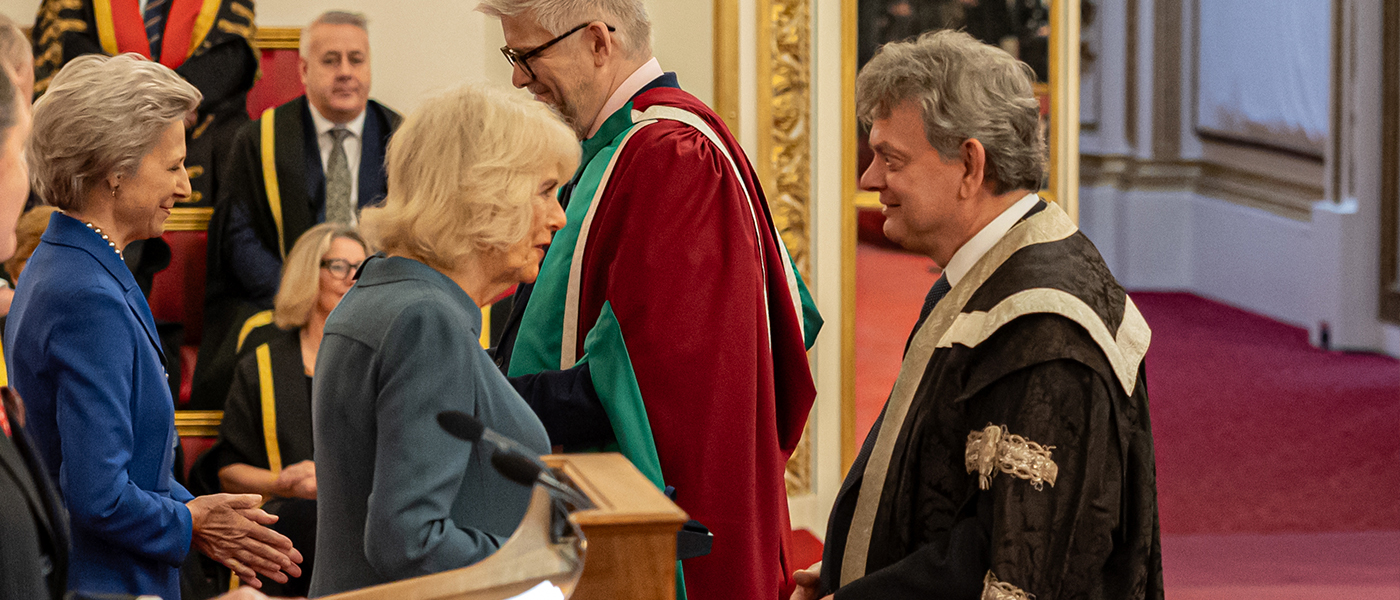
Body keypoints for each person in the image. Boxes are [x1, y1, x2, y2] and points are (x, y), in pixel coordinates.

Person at [792, 31, 1162, 600]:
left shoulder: (1046, 325)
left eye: (890, 159)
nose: (869, 180)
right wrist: (855, 565)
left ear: (969, 164)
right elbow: (942, 483)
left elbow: (1012, 560)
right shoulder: (990, 271)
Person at [478, 1, 822, 597]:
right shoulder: (620, 148)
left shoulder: (673, 156)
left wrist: (486, 394)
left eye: (527, 56)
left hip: (663, 532)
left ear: (596, 42)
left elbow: (651, 384)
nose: (517, 78)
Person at [5, 53, 302, 600]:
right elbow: (99, 496)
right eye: (172, 166)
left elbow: (129, 467)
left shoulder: (69, 261)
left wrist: (194, 510)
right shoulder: (86, 294)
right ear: (116, 169)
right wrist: (194, 524)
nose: (187, 188)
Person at [308, 83, 576, 597]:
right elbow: (409, 541)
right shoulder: (426, 322)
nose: (557, 217)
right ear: (483, 192)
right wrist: (548, 564)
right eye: (545, 191)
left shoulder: (379, 294)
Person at [197, 10, 402, 412]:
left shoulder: (401, 138)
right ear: (304, 70)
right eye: (330, 60)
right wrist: (303, 295)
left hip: (377, 301)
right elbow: (239, 237)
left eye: (356, 59)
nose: (345, 71)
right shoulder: (259, 139)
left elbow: (413, 234)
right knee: (251, 343)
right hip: (285, 302)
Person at [192, 223, 367, 597]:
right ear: (309, 273)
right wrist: (280, 482)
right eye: (339, 266)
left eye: (361, 268)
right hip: (283, 535)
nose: (352, 278)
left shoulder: (375, 365)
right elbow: (228, 473)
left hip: (358, 531)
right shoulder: (263, 366)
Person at [31, 0, 257, 208]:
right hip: (107, 124)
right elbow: (71, 50)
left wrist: (174, 99)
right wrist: (136, 101)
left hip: (202, 126)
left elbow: (232, 55)